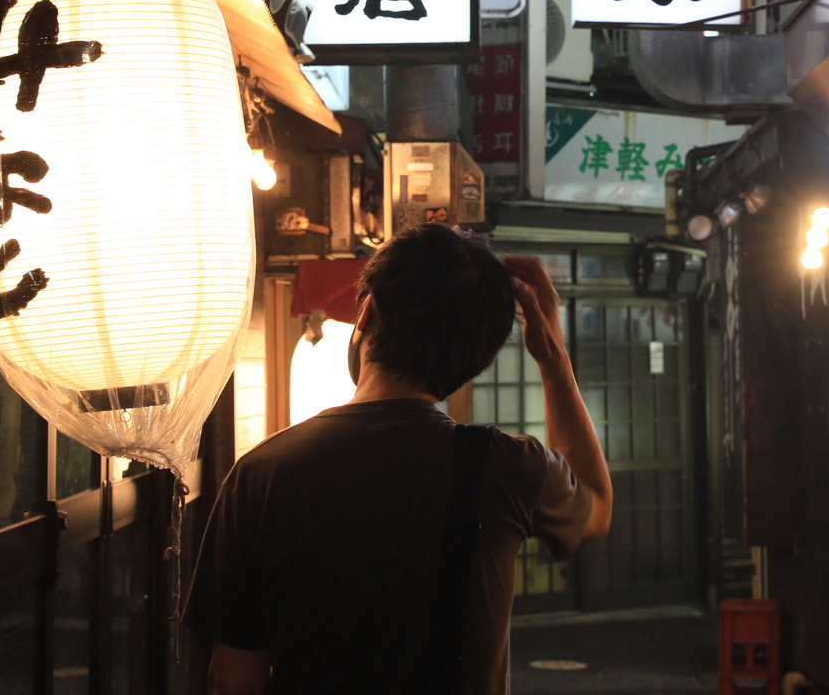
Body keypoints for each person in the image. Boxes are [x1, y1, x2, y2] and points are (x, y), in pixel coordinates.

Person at [183, 223, 613, 694]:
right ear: (474, 360)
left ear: (366, 312)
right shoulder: (506, 468)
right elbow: (597, 509)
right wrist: (552, 355)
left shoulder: (260, 473)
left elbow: (232, 677)